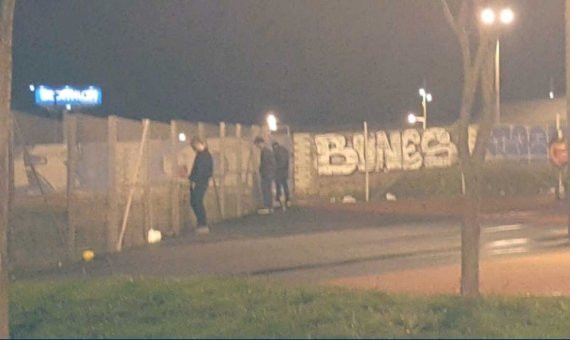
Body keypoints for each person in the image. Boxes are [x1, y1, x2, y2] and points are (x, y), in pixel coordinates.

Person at [188, 136, 213, 234]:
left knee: (197, 201)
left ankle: (202, 224)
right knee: (195, 201)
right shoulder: (202, 155)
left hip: (201, 181)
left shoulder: (204, 156)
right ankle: (201, 223)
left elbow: (201, 170)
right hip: (199, 181)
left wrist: (194, 178)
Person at [254, 136, 276, 214]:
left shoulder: (265, 152)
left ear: (260, 143)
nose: (257, 147)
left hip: (266, 174)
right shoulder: (268, 151)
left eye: (257, 144)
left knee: (266, 190)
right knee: (268, 190)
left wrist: (262, 171)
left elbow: (265, 164)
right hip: (269, 173)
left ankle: (267, 206)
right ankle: (270, 207)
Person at [272, 141, 291, 208]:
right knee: (285, 185)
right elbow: (286, 161)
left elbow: (276, 162)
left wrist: (275, 168)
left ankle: (278, 200)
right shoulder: (285, 150)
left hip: (279, 172)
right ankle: (288, 200)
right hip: (284, 172)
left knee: (278, 186)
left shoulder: (276, 151)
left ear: (275, 146)